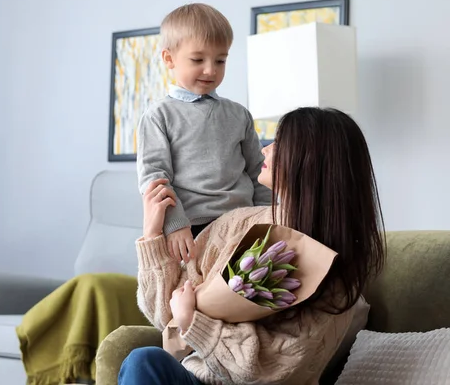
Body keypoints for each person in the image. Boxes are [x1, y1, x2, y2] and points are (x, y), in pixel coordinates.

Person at [119, 107, 386, 385]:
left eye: (280, 143)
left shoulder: (331, 270)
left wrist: (193, 322)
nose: (265, 150)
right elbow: (165, 316)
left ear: (310, 161)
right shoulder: (235, 223)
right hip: (194, 378)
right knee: (144, 361)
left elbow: (277, 368)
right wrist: (152, 235)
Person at [136, 3, 271, 265]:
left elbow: (259, 172)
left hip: (244, 224)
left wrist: (266, 218)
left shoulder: (239, 114)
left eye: (220, 60)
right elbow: (155, 179)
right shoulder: (158, 115)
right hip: (190, 230)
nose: (210, 70)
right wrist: (175, 225)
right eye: (198, 60)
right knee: (194, 295)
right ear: (169, 59)